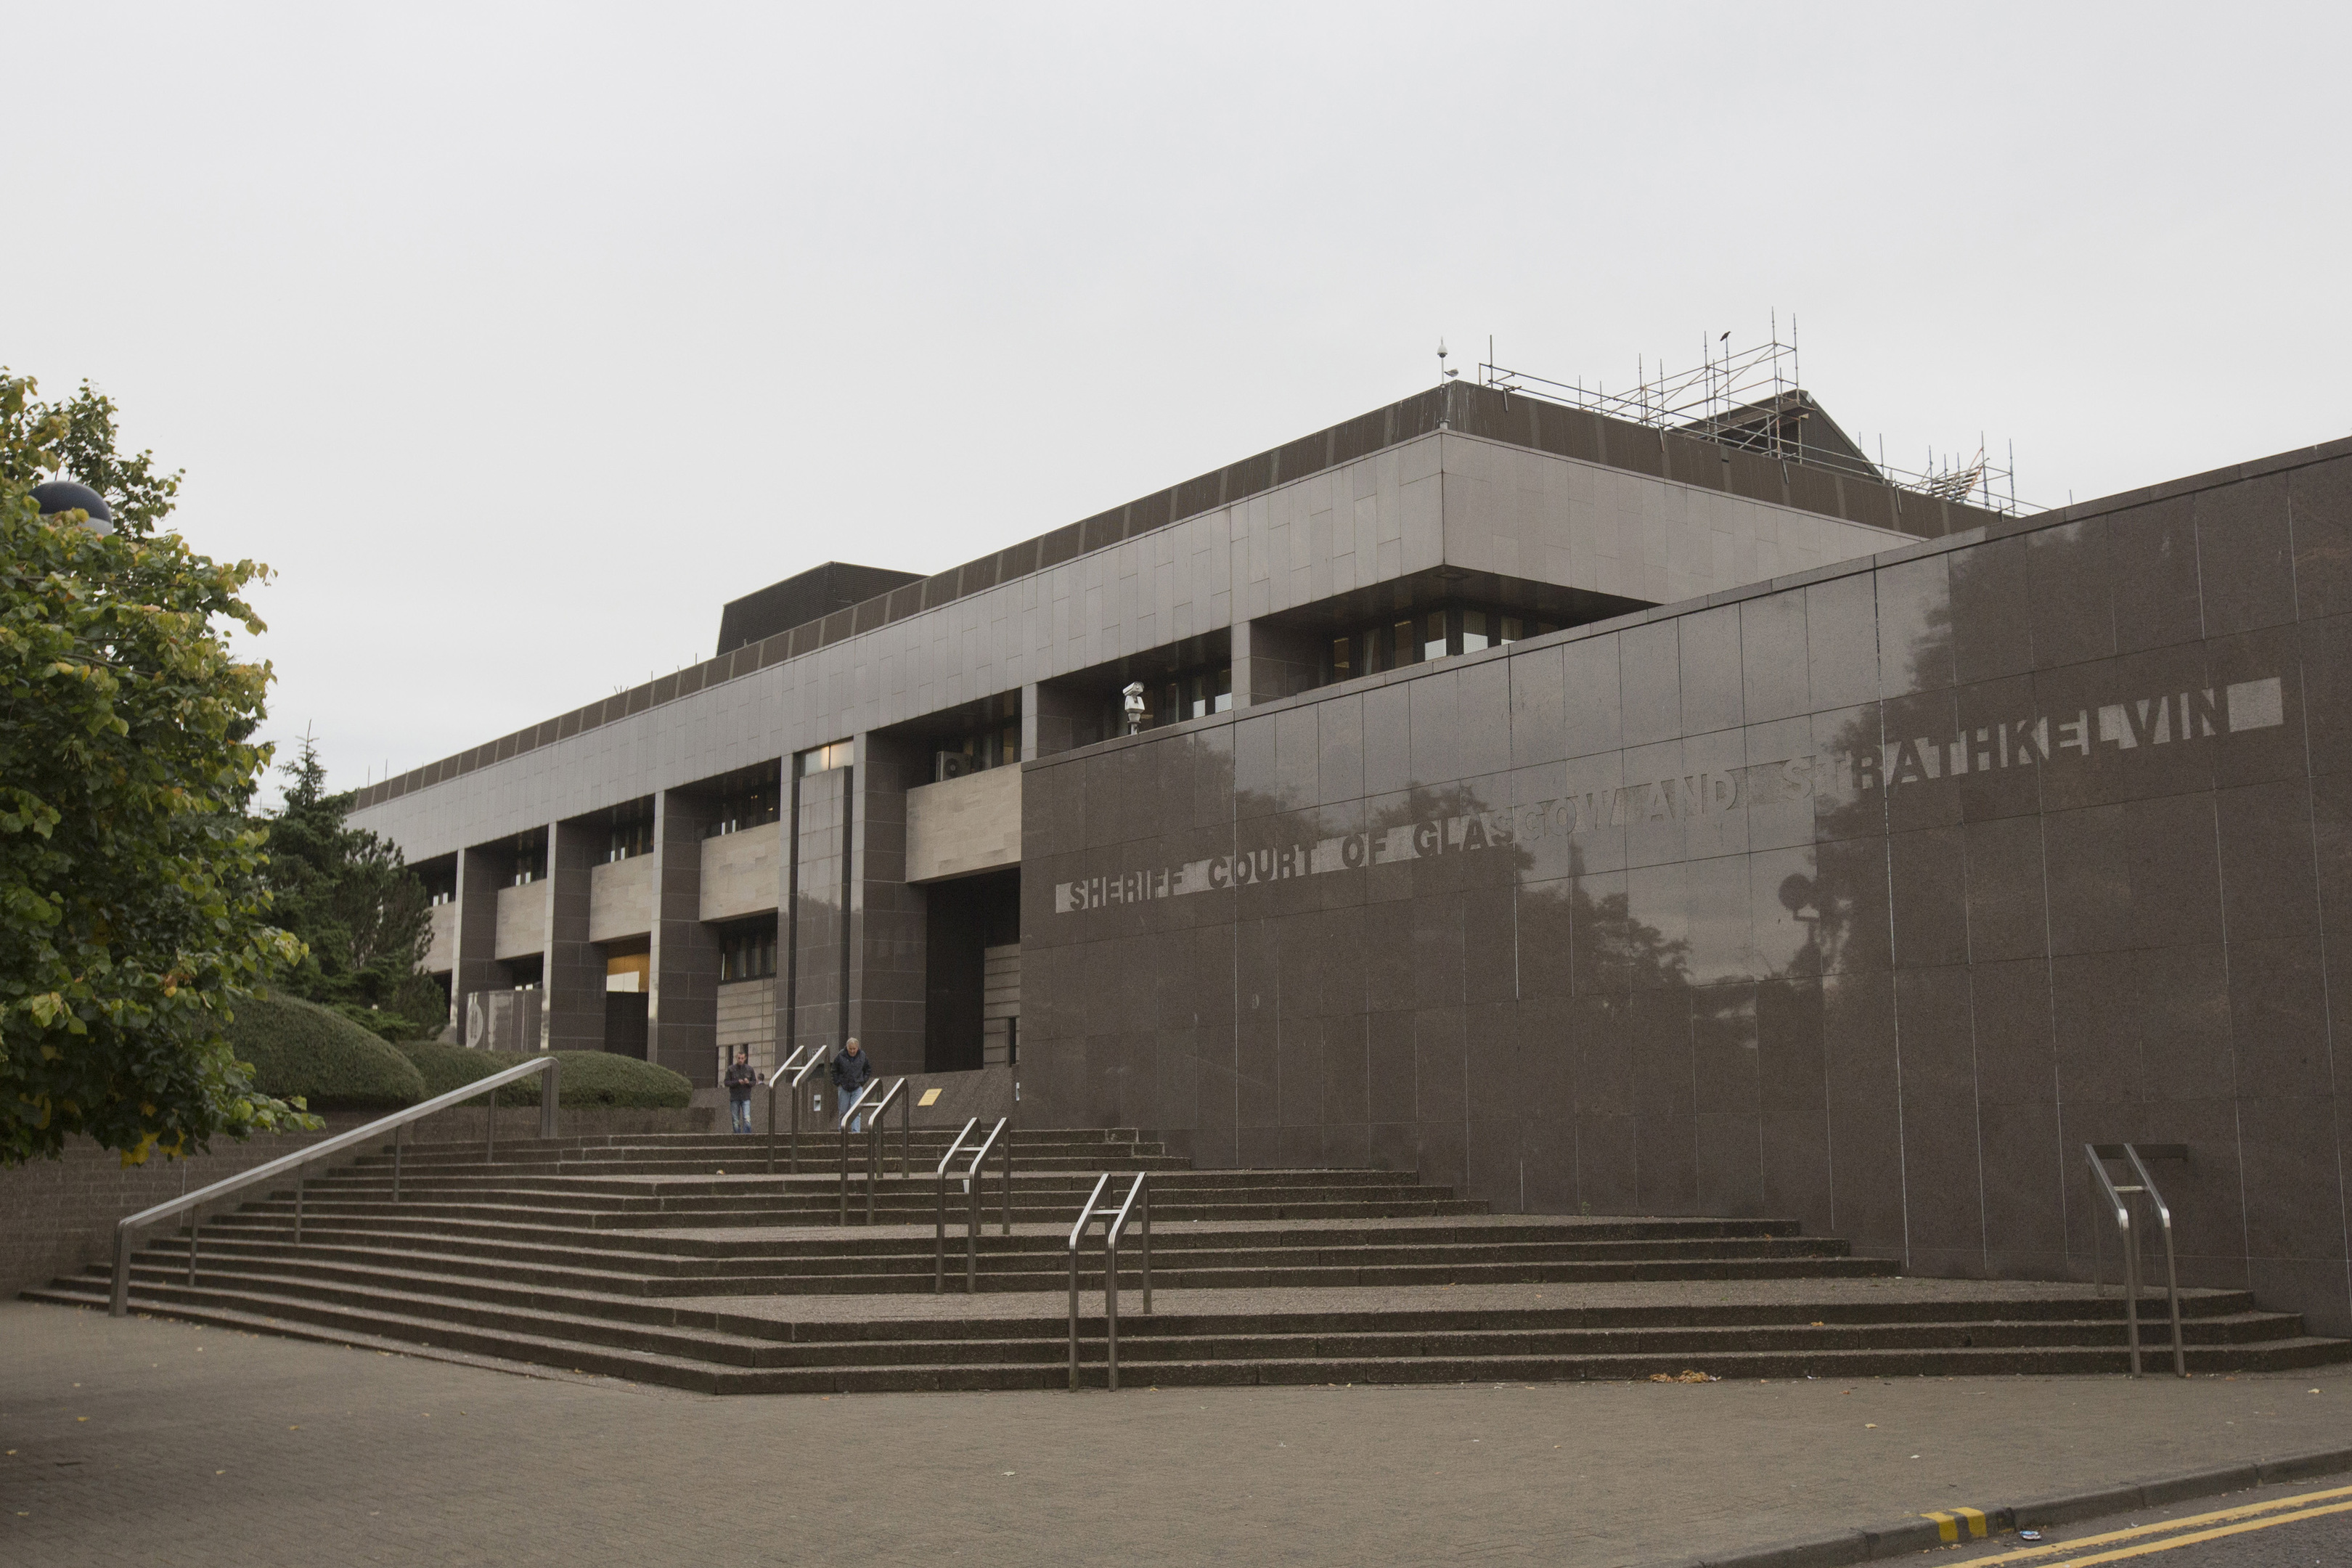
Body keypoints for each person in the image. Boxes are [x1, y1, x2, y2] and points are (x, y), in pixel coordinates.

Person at [829, 1036, 874, 1132]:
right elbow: (834, 1070)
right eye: (850, 1049)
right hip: (844, 1087)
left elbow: (868, 1069)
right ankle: (842, 1131)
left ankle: (856, 1132)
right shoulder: (840, 1056)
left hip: (857, 1087)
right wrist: (838, 1083)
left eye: (854, 1049)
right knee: (843, 1111)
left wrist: (863, 1081)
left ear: (857, 1048)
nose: (853, 1051)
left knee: (856, 1111)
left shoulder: (862, 1056)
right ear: (847, 1047)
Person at [723, 1047, 757, 1135]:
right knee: (735, 1120)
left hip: (746, 1096)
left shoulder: (749, 1069)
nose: (740, 1060)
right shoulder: (731, 1069)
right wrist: (737, 1082)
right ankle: (737, 1137)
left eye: (742, 1058)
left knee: (747, 1118)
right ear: (736, 1058)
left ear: (745, 1059)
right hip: (735, 1097)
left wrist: (747, 1083)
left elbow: (754, 1082)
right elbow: (726, 1082)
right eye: (739, 1058)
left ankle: (746, 1137)